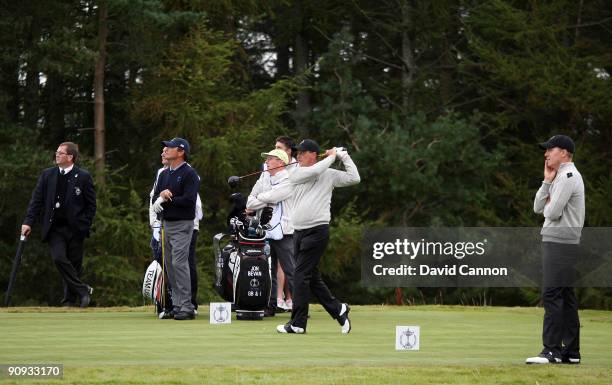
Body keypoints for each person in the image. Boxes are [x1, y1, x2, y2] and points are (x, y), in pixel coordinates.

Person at [277, 139, 360, 334]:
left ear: (313, 155)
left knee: (300, 276)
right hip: (298, 232)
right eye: (297, 153)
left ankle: (298, 323)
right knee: (311, 276)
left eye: (302, 153)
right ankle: (337, 308)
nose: (297, 156)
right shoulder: (295, 171)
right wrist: (332, 157)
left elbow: (354, 177)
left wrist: (343, 156)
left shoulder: (328, 174)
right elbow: (314, 172)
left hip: (317, 231)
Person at [526, 135, 585, 364]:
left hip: (560, 242)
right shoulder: (558, 177)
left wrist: (550, 200)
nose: (546, 154)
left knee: (552, 294)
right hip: (561, 241)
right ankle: (571, 352)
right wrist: (547, 182)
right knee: (565, 295)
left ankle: (551, 350)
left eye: (550, 150)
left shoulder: (569, 176)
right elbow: (537, 207)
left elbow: (551, 213)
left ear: (564, 153)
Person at [22, 142, 96, 308]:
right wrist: (28, 222)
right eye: (57, 152)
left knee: (75, 264)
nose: (57, 155)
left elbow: (91, 205)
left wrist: (84, 224)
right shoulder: (47, 175)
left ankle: (70, 301)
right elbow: (37, 201)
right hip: (55, 228)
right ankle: (83, 290)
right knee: (59, 258)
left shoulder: (83, 176)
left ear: (70, 157)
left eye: (60, 153)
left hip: (76, 228)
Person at [149, 148, 203, 316]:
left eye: (169, 148)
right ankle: (177, 305)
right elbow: (154, 197)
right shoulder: (164, 174)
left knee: (179, 263)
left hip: (183, 224)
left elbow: (189, 200)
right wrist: (160, 196)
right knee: (170, 265)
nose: (164, 151)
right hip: (167, 224)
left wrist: (166, 199)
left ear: (181, 152)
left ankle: (187, 306)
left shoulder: (189, 173)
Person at [246, 148, 296, 317]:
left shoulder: (289, 180)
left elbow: (274, 197)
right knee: (269, 270)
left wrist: (260, 199)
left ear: (281, 162)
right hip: (266, 231)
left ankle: (300, 307)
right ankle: (271, 305)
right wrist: (263, 199)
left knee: (291, 270)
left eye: (271, 158)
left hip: (284, 231)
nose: (267, 161)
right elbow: (250, 201)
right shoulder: (265, 176)